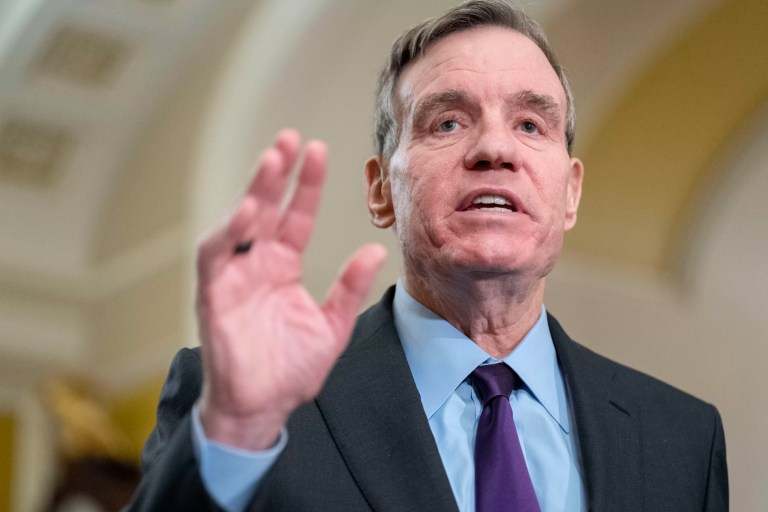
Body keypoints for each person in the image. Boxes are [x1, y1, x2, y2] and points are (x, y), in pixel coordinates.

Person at [125, 1, 728, 511]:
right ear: (381, 190)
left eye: (530, 124)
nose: (495, 148)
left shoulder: (680, 438)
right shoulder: (247, 407)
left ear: (571, 192)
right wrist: (234, 433)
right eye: (446, 122)